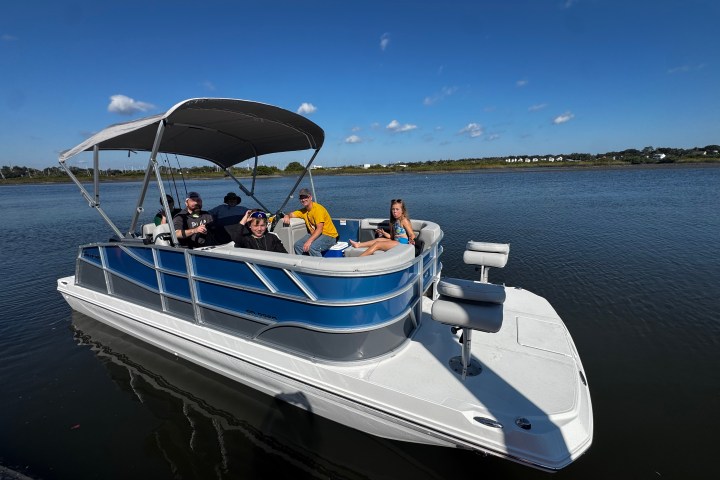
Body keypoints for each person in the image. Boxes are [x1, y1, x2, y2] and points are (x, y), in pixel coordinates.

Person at [349, 198, 415, 257]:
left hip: (402, 244)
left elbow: (412, 234)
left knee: (378, 244)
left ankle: (359, 259)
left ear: (402, 210)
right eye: (393, 209)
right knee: (378, 239)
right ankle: (358, 245)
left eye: (397, 209)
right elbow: (391, 237)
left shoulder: (404, 220)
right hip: (395, 241)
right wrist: (384, 233)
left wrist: (411, 239)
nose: (395, 211)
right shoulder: (394, 221)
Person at [282, 188, 338, 256]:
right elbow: (291, 214)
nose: (303, 199)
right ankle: (304, 263)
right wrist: (286, 216)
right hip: (316, 234)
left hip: (329, 236)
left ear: (310, 197)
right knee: (297, 245)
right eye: (301, 198)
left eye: (306, 197)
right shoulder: (303, 211)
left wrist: (309, 241)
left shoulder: (318, 209)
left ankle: (318, 265)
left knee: (313, 248)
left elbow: (319, 229)